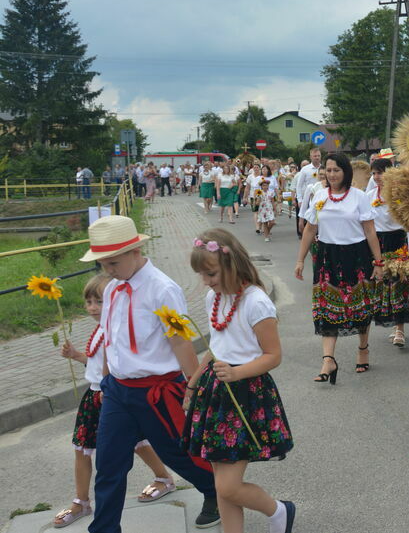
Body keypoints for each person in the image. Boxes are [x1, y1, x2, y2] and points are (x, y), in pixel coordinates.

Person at [77, 215, 220, 531]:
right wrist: (103, 383)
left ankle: (216, 490)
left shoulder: (162, 289)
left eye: (113, 262)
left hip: (158, 389)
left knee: (177, 454)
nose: (107, 270)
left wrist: (195, 389)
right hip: (117, 390)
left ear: (135, 251)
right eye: (102, 264)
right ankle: (104, 529)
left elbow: (181, 343)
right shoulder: (113, 289)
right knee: (110, 464)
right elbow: (110, 340)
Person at [183, 229, 296, 533]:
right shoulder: (214, 298)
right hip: (216, 389)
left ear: (231, 264)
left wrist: (236, 373)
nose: (206, 282)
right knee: (222, 483)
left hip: (245, 391)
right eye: (202, 275)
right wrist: (193, 383)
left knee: (229, 486)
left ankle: (278, 510)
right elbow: (216, 347)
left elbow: (273, 355)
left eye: (210, 273)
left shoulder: (256, 302)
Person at [52, 274, 177, 529]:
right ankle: (82, 501)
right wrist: (77, 355)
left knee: (138, 444)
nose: (93, 308)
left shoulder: (115, 328)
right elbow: (96, 363)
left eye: (98, 301)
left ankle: (164, 478)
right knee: (82, 448)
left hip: (112, 395)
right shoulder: (100, 330)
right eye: (89, 302)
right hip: (95, 394)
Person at [294, 152, 384, 382]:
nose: (332, 174)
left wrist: (378, 262)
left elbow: (370, 231)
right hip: (327, 258)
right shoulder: (320, 196)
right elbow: (310, 230)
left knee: (360, 309)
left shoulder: (359, 197)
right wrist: (300, 260)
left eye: (336, 170)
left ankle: (363, 349)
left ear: (346, 172)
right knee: (327, 310)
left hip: (357, 257)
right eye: (329, 170)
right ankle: (328, 360)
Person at [368, 157, 409, 347]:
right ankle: (393, 324)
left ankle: (400, 329)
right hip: (378, 243)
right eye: (375, 173)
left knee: (400, 286)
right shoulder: (368, 196)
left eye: (381, 172)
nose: (378, 177)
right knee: (383, 287)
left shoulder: (400, 194)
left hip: (398, 241)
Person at [294, 148, 322, 238]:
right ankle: (305, 235)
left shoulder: (324, 168)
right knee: (308, 218)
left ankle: (318, 236)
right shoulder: (305, 170)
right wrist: (300, 199)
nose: (317, 158)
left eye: (318, 156)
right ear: (310, 157)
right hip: (308, 198)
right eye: (315, 156)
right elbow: (299, 185)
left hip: (321, 197)